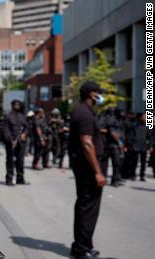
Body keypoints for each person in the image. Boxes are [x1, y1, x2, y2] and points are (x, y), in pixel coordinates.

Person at [69, 81, 106, 259]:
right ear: (92, 94)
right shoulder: (84, 113)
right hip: (87, 169)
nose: (101, 95)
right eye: (99, 92)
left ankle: (82, 245)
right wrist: (98, 171)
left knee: (86, 206)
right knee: (88, 207)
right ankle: (82, 249)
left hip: (85, 167)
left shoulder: (84, 111)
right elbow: (87, 143)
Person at [3, 100, 28, 186]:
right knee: (10, 161)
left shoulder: (22, 116)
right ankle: (9, 179)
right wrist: (10, 140)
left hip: (21, 142)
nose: (17, 106)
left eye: (18, 105)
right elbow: (6, 130)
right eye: (15, 104)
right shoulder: (8, 116)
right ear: (12, 105)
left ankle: (20, 179)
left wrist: (24, 134)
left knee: (20, 161)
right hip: (11, 142)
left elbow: (26, 127)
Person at [99, 108, 125, 187]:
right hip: (112, 145)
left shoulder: (118, 120)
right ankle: (110, 179)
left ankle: (114, 179)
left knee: (114, 163)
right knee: (112, 163)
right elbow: (112, 132)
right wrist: (120, 142)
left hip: (112, 145)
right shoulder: (111, 120)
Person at [126, 113, 150, 181]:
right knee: (134, 161)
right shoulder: (134, 126)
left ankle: (142, 175)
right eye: (144, 117)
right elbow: (130, 136)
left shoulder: (147, 126)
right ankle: (133, 175)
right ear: (139, 118)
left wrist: (149, 145)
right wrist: (131, 144)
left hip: (144, 146)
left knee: (143, 163)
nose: (145, 118)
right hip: (135, 146)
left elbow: (149, 137)